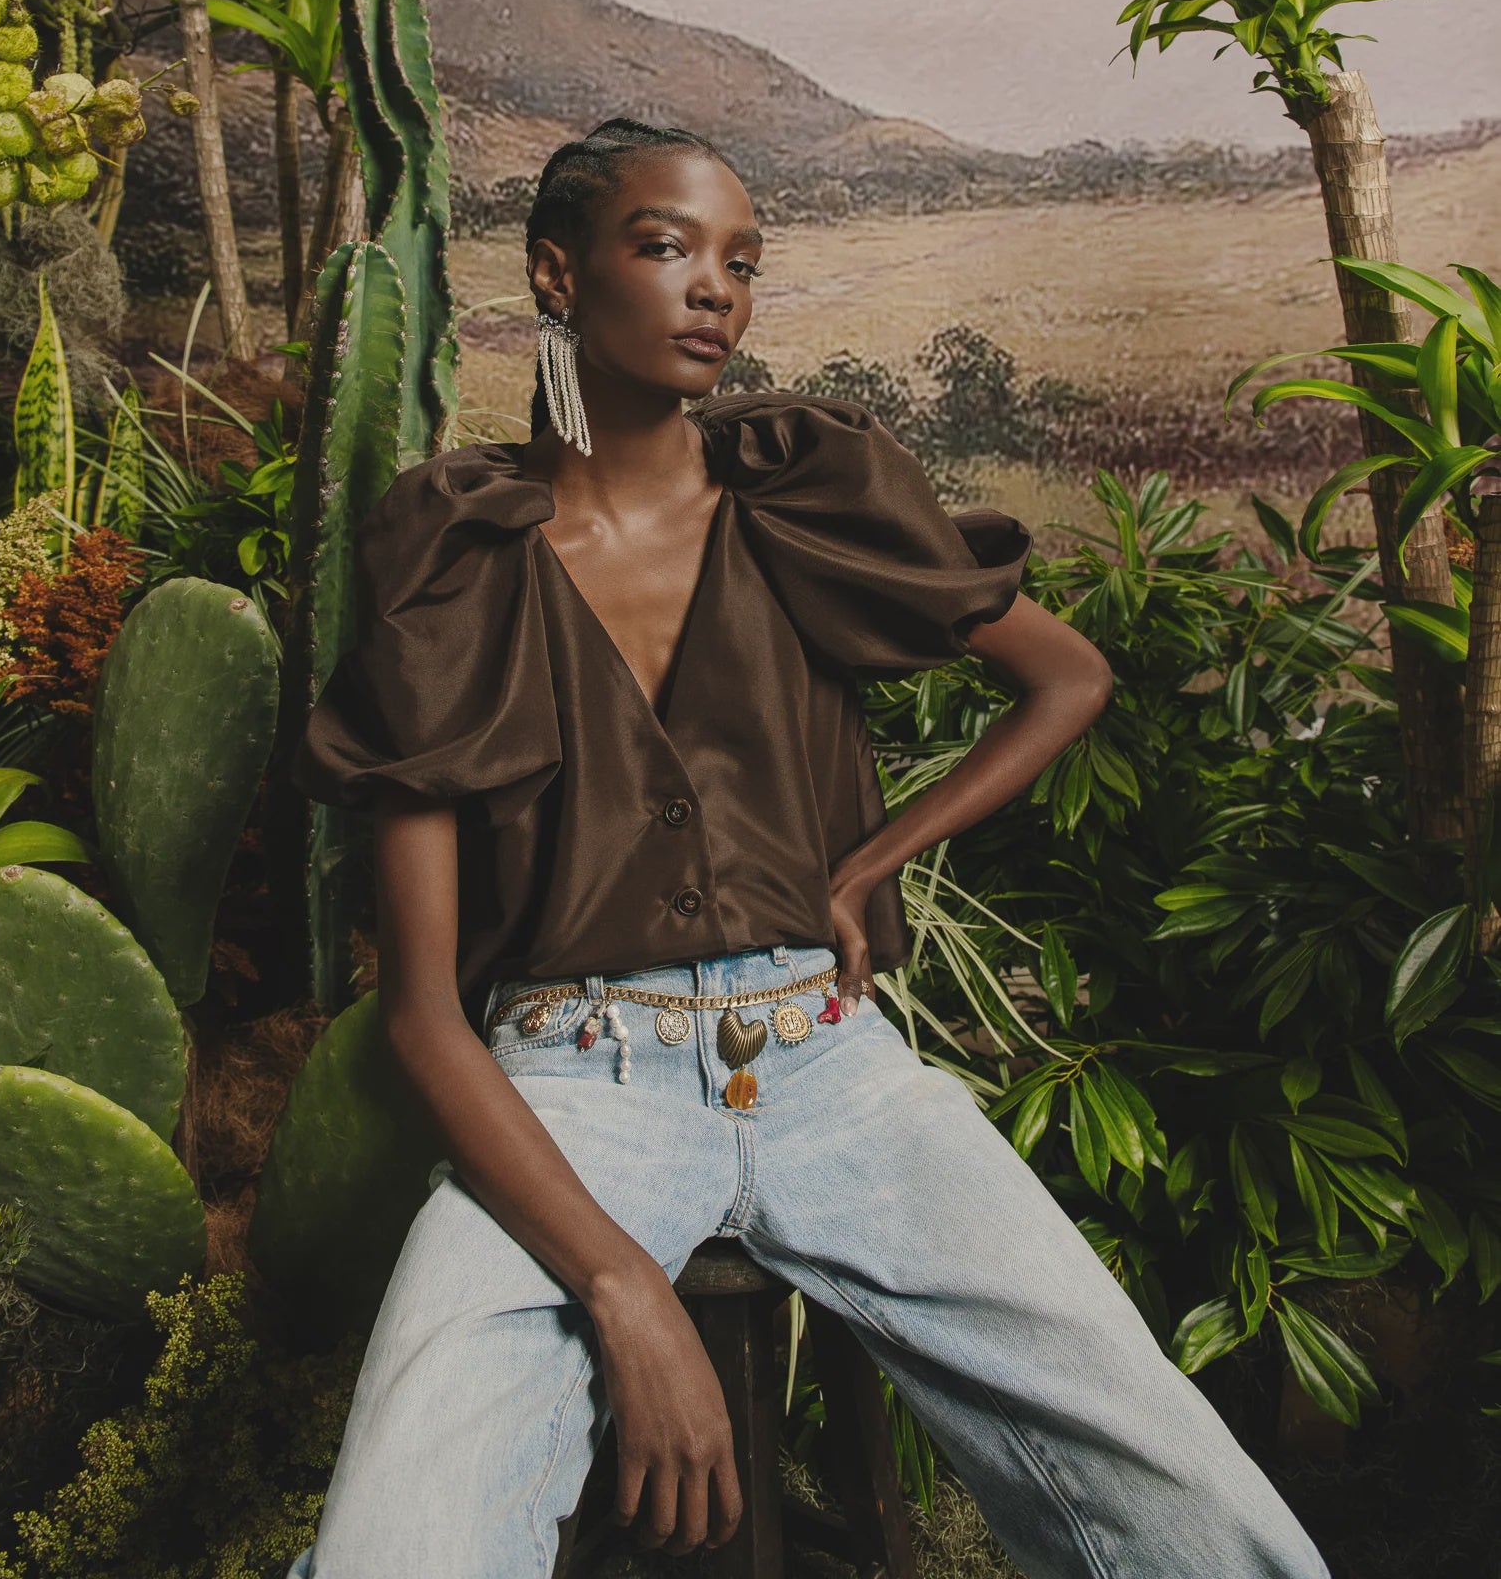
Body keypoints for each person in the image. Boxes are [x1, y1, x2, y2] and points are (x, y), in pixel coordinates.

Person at [284, 119, 1327, 1578]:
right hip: (575, 1087)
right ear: (555, 273)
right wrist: (619, 1293)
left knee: (1176, 1488)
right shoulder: (453, 553)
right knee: (400, 1536)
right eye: (666, 248)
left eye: (742, 263)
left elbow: (1066, 677)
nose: (715, 290)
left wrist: (867, 859)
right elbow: (418, 1008)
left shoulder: (800, 492)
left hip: (833, 1063)